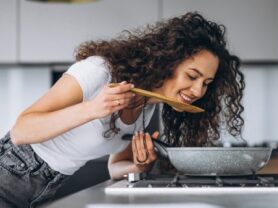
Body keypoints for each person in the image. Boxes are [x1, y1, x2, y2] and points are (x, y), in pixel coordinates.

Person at [0, 12, 245, 207]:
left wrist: (139, 166)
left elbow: (114, 167)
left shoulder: (147, 108)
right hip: (9, 174)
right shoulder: (99, 71)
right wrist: (93, 108)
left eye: (206, 83)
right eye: (192, 76)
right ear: (168, 61)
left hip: (43, 189)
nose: (198, 91)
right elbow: (21, 130)